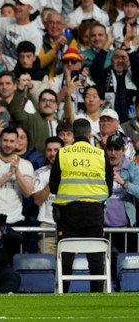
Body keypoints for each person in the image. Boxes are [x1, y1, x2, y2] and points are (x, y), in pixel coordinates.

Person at [49, 118, 113, 293]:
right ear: (90, 134)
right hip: (94, 213)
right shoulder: (100, 155)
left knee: (66, 257)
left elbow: (53, 186)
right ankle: (97, 294)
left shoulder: (63, 154)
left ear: (73, 134)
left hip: (68, 214)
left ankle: (63, 293)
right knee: (95, 256)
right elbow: (109, 188)